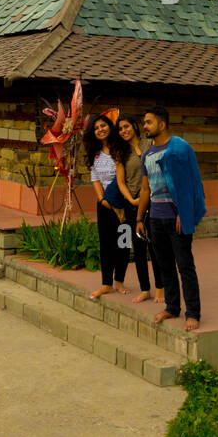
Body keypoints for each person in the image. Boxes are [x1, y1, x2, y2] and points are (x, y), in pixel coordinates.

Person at [135, 105, 206, 332]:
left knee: (185, 266)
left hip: (175, 217)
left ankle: (192, 312)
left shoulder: (180, 148)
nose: (144, 126)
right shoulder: (147, 155)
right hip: (155, 217)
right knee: (164, 265)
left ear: (162, 124)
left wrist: (184, 213)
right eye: (144, 122)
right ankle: (172, 306)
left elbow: (191, 183)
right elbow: (145, 191)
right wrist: (139, 219)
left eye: (148, 122)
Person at [115, 113, 164, 305]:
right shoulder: (121, 152)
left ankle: (160, 288)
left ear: (135, 126)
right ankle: (145, 289)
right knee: (139, 248)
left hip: (153, 200)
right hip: (132, 203)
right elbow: (120, 182)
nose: (123, 131)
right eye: (120, 129)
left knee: (156, 246)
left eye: (126, 126)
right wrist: (131, 201)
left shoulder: (150, 145)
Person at [83, 113, 129, 300]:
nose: (100, 129)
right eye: (96, 128)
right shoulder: (94, 153)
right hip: (104, 205)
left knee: (123, 242)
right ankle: (106, 283)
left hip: (124, 203)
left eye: (103, 125)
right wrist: (102, 199)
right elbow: (95, 178)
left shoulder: (122, 149)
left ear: (110, 127)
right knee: (106, 243)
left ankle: (119, 280)